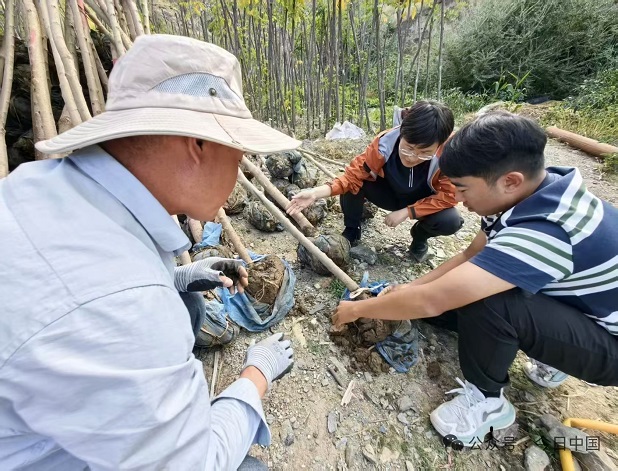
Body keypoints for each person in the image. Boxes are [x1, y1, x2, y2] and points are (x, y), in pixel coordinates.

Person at [0, 35, 299, 470]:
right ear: (198, 145)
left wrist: (177, 277)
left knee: (188, 301)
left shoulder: (39, 185)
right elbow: (198, 463)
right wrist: (256, 376)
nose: (239, 169)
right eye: (239, 154)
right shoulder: (129, 309)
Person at [331, 112, 618, 446]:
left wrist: (358, 310)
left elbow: (435, 299)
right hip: (588, 312)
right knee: (455, 295)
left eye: (463, 188)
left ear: (510, 180)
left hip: (610, 347)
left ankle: (488, 402)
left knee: (489, 301)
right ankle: (551, 351)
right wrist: (411, 288)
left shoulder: (546, 230)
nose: (458, 200)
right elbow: (470, 255)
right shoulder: (534, 192)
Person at [287, 101, 463, 262]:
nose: (412, 157)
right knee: (354, 184)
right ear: (402, 132)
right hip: (387, 193)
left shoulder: (449, 156)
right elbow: (351, 176)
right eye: (408, 148)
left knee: (451, 220)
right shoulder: (384, 144)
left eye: (425, 153)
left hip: (421, 200)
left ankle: (419, 237)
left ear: (439, 145)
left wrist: (408, 212)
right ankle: (352, 230)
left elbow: (448, 195)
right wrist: (314, 193)